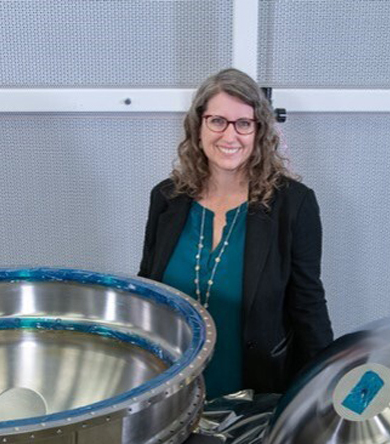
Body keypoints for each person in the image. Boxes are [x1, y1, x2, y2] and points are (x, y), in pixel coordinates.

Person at [139, 68, 333, 397]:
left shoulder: (293, 205)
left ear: (259, 131)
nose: (230, 136)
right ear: (198, 125)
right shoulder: (166, 198)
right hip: (170, 391)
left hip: (255, 395)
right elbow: (147, 292)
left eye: (244, 123)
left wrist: (325, 388)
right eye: (217, 121)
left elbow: (308, 306)